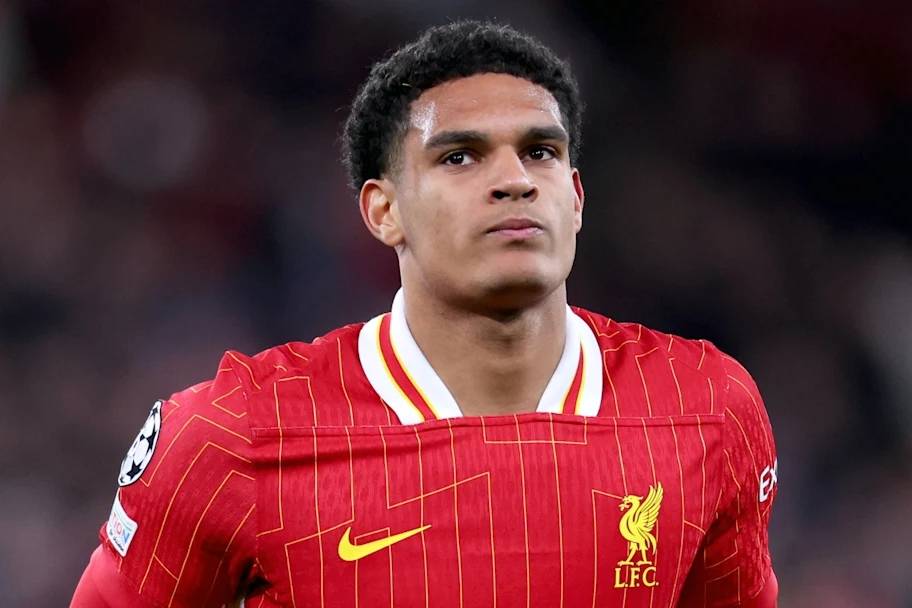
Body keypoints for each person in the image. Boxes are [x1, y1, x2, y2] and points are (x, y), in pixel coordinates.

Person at [71, 20, 778, 607]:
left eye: (540, 151)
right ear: (384, 211)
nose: (515, 181)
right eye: (461, 157)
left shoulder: (708, 408)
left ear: (576, 198)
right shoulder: (233, 435)